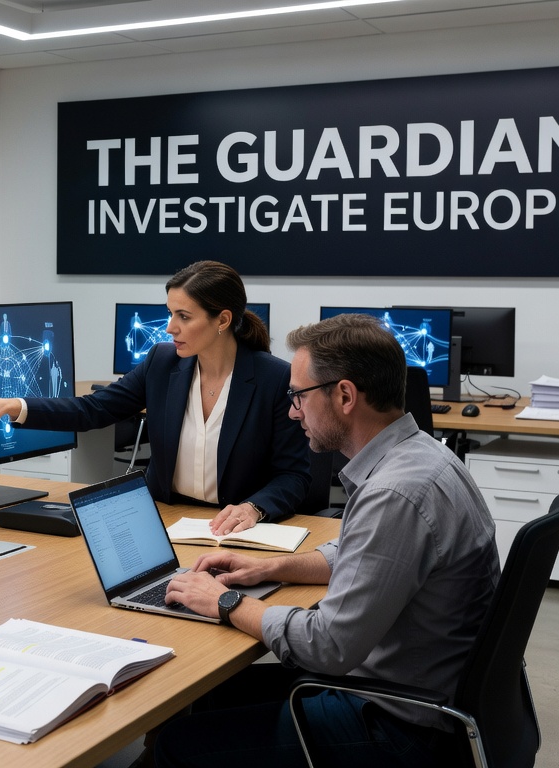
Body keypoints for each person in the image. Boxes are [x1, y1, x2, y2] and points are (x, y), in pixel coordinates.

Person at [152, 313, 500, 768]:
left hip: (399, 727)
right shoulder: (422, 456)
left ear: (345, 396)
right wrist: (270, 567)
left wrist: (225, 601)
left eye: (298, 396)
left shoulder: (394, 494)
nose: (292, 412)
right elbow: (362, 553)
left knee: (176, 744)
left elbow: (328, 645)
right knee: (210, 695)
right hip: (418, 691)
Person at [0, 260, 309, 533]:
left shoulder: (274, 378)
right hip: (164, 520)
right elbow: (91, 410)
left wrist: (254, 508)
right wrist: (14, 406)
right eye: (170, 314)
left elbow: (293, 476)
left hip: (235, 531)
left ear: (223, 320)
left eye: (184, 316)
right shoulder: (162, 362)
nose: (170, 327)